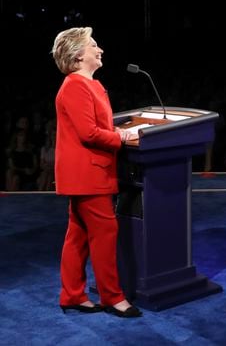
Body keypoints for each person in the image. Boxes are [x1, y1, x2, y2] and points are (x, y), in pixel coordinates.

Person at [51, 27, 142, 317]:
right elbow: (89, 133)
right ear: (78, 55)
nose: (99, 49)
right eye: (93, 45)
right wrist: (122, 138)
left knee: (77, 235)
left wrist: (114, 131)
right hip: (89, 174)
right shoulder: (76, 85)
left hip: (86, 172)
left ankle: (72, 294)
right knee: (104, 234)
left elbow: (95, 126)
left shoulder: (88, 84)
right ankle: (112, 297)